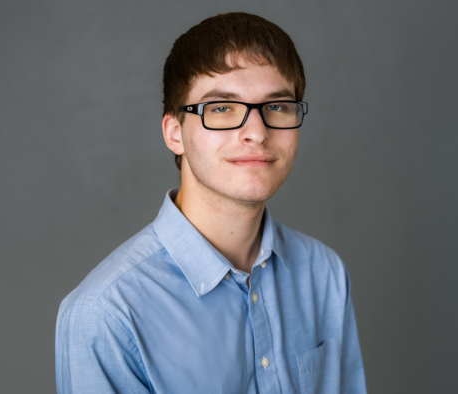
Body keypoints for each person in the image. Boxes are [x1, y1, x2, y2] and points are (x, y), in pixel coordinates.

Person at [55, 12, 367, 394]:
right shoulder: (105, 315)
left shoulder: (324, 274)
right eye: (221, 108)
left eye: (278, 106)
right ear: (174, 133)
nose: (256, 132)